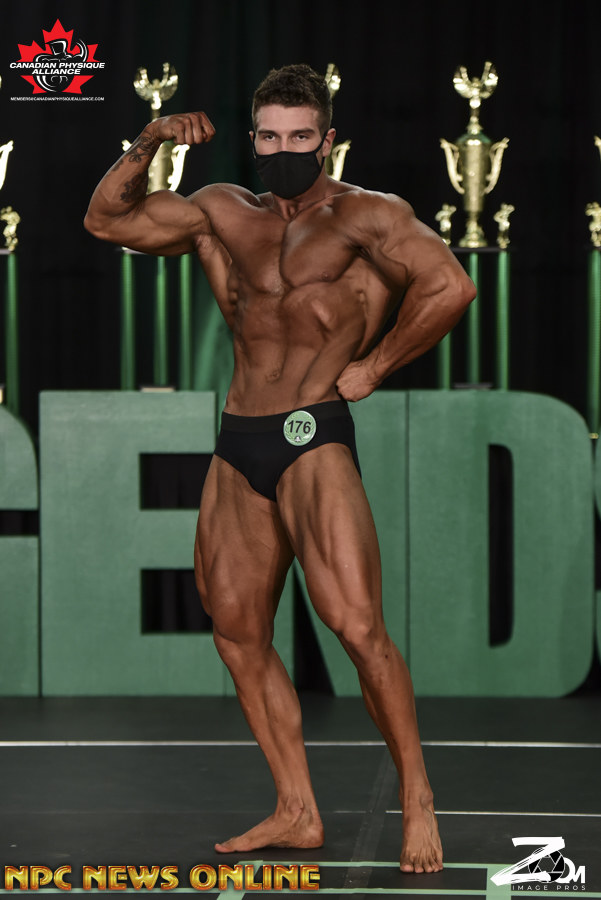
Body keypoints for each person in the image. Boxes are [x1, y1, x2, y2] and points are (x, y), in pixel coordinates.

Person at [84, 63, 476, 874]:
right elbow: (104, 220)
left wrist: (375, 367)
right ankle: (296, 809)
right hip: (239, 437)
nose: (284, 151)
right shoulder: (220, 209)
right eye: (270, 137)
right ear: (254, 138)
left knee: (357, 628)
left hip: (313, 431)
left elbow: (449, 286)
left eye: (300, 137)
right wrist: (150, 138)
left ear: (326, 140)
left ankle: (417, 799)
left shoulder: (366, 214)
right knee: (235, 633)